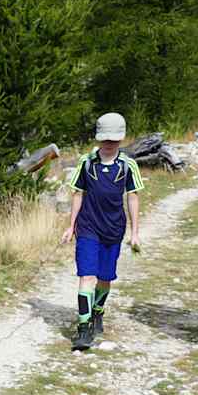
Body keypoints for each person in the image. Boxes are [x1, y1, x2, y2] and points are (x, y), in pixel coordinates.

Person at [62, 112, 143, 351]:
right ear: (98, 139)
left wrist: (135, 232)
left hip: (114, 228)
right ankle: (84, 327)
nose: (109, 144)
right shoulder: (87, 162)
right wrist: (71, 226)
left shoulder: (128, 165)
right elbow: (77, 194)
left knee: (105, 278)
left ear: (121, 139)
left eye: (114, 140)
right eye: (105, 139)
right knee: (86, 275)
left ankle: (98, 311)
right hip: (88, 226)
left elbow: (133, 197)